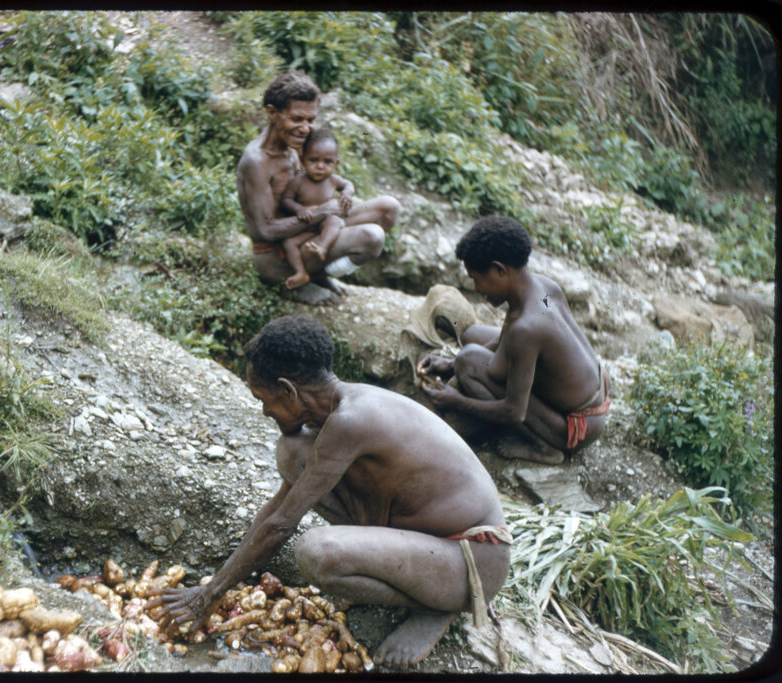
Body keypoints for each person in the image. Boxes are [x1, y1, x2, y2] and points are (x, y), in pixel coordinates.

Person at [148, 315, 510, 670]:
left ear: (288, 390)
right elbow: (280, 510)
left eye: (264, 398)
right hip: (428, 540)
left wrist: (209, 595)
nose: (264, 410)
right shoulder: (340, 410)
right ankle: (414, 579)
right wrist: (217, 583)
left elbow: (282, 525)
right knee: (293, 453)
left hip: (471, 559)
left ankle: (434, 607)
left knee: (315, 551)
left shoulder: (352, 419)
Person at [417, 216, 609, 465]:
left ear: (499, 270)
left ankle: (544, 448)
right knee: (471, 339)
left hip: (575, 427)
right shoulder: (542, 287)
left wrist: (458, 401)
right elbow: (507, 338)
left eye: (477, 279)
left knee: (469, 361)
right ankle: (463, 365)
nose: (477, 288)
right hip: (589, 395)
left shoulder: (527, 329)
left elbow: (513, 411)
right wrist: (450, 364)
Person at [237, 71, 400, 305]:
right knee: (372, 236)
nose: (305, 128)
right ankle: (295, 281)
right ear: (272, 113)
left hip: (310, 232)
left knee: (388, 208)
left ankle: (319, 273)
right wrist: (323, 211)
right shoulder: (258, 161)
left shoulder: (298, 142)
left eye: (310, 120)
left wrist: (346, 191)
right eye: (297, 119)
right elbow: (266, 230)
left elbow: (325, 173)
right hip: (278, 256)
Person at [278, 126, 353, 289]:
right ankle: (301, 273)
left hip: (324, 225)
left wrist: (347, 192)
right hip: (305, 227)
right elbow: (286, 200)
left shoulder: (333, 180)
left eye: (327, 162)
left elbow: (348, 184)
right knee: (289, 243)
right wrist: (299, 209)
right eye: (313, 160)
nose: (320, 166)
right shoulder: (298, 181)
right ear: (303, 159)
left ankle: (323, 247)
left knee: (334, 220)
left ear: (336, 163)